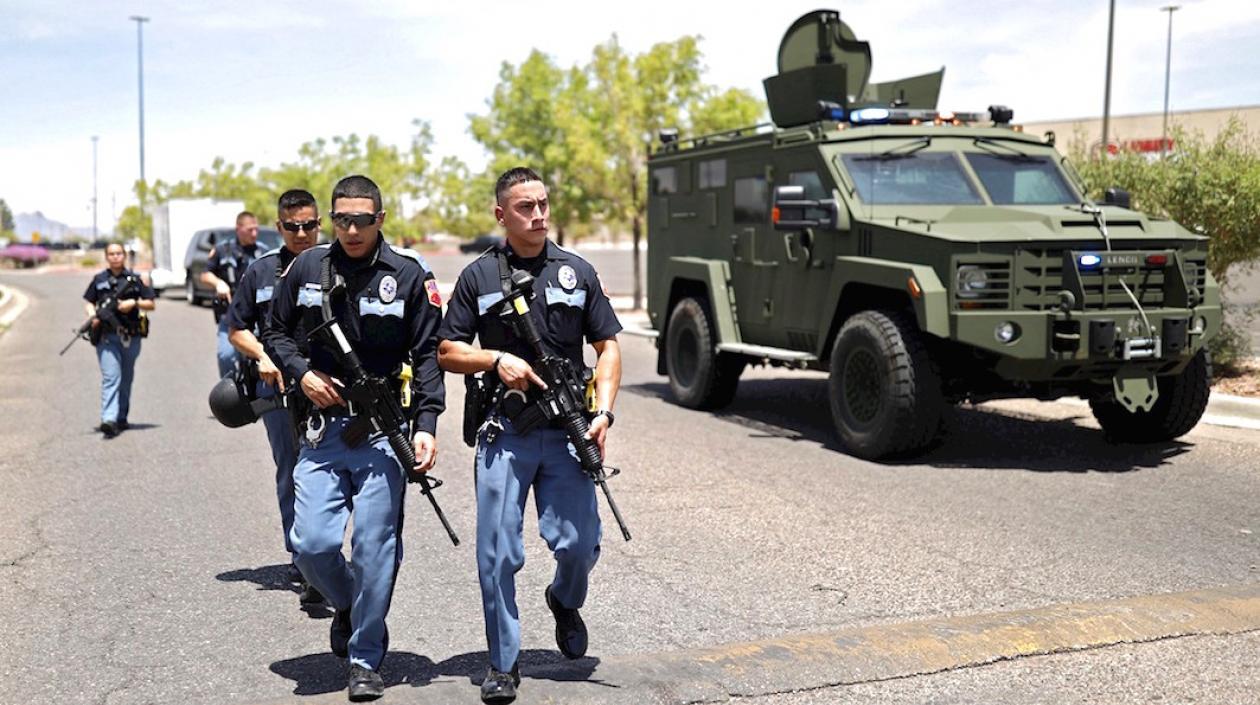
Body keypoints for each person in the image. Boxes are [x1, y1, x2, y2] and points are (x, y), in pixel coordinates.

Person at [437, 167, 622, 704]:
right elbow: (448, 351)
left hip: (567, 429)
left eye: (542, 203)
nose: (538, 214)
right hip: (506, 430)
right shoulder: (478, 277)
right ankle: (503, 662)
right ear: (501, 214)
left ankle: (564, 600)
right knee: (496, 552)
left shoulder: (576, 271)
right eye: (525, 207)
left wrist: (603, 413)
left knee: (580, 544)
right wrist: (496, 359)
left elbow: (607, 346)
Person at [262, 175, 445, 701]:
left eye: (363, 219)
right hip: (323, 430)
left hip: (385, 431)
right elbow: (274, 331)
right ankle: (347, 603)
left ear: (381, 220)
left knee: (373, 548)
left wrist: (427, 425)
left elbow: (428, 356)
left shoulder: (408, 274)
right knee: (311, 546)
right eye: (342, 218)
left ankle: (366, 656)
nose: (352, 228)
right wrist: (302, 374)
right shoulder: (307, 267)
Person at [225, 189, 322, 603]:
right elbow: (236, 327)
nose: (301, 233)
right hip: (279, 388)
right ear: (279, 227)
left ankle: (324, 549)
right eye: (292, 227)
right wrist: (263, 354)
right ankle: (303, 557)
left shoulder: (336, 265)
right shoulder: (261, 272)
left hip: (326, 387)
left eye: (309, 225)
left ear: (320, 224)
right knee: (292, 468)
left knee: (331, 471)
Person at [83, 242, 157, 438]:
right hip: (107, 338)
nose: (115, 257)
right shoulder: (99, 280)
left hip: (130, 337)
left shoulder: (134, 279)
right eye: (111, 254)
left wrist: (134, 303)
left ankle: (121, 417)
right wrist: (92, 315)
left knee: (126, 378)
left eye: (118, 253)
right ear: (106, 257)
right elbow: (89, 301)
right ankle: (108, 419)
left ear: (124, 256)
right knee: (111, 377)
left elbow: (151, 304)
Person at [203, 211, 261, 378]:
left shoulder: (262, 252)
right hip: (229, 316)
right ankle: (229, 395)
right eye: (250, 230)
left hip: (256, 316)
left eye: (256, 229)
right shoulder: (222, 250)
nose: (254, 234)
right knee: (226, 356)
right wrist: (218, 283)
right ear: (239, 229)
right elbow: (205, 274)